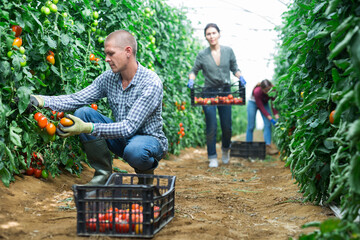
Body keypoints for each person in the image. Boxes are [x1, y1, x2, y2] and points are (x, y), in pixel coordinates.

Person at [29, 30, 168, 185]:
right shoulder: (108, 79)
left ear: (128, 51)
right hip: (122, 139)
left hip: (149, 142)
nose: (107, 59)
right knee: (83, 113)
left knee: (135, 151)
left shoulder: (150, 83)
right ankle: (103, 174)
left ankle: (146, 178)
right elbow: (77, 99)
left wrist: (87, 128)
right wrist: (41, 101)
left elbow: (129, 127)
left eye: (111, 53)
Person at [188, 23, 246, 168]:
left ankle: (226, 150)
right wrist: (191, 79)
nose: (211, 36)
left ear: (219, 34)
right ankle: (212, 156)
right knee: (211, 126)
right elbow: (194, 71)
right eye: (208, 34)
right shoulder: (202, 55)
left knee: (227, 127)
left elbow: (235, 68)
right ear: (205, 37)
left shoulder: (228, 51)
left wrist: (241, 77)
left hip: (226, 92)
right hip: (209, 93)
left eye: (214, 33)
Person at [246, 79, 279, 155]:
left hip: (264, 102)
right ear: (262, 89)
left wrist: (276, 117)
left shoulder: (273, 90)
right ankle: (248, 148)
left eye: (269, 89)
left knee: (267, 124)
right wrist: (271, 118)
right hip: (253, 103)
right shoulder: (257, 91)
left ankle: (268, 147)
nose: (268, 92)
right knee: (251, 126)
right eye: (266, 90)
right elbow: (261, 107)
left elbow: (273, 104)